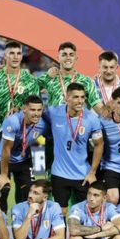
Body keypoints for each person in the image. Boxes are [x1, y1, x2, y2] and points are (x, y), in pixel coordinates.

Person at [48, 82, 104, 216]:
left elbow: (99, 144)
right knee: (60, 213)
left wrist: (92, 172)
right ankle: (61, 237)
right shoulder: (53, 112)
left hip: (82, 175)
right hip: (59, 173)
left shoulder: (91, 119)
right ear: (67, 97)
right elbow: (34, 117)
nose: (80, 101)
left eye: (82, 97)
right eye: (76, 97)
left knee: (85, 212)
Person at [0, 95, 48, 212]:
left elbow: (47, 141)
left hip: (22, 161)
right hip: (1, 159)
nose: (36, 114)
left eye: (39, 110)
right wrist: (4, 175)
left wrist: (41, 167)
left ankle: (23, 224)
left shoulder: (44, 124)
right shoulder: (13, 121)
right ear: (24, 109)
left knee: (29, 192)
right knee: (1, 192)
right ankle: (1, 226)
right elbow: (6, 149)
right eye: (32, 110)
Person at [0, 41, 40, 133]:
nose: (15, 57)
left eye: (18, 53)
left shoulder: (30, 80)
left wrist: (20, 110)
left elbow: (36, 109)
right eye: (11, 53)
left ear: (21, 56)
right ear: (5, 56)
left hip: (20, 136)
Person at [39, 42, 104, 113]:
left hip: (78, 123)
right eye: (64, 55)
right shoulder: (50, 77)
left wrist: (112, 114)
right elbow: (30, 90)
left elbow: (98, 107)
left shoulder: (86, 81)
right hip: (55, 123)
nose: (68, 58)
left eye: (71, 55)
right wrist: (47, 78)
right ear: (58, 58)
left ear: (76, 58)